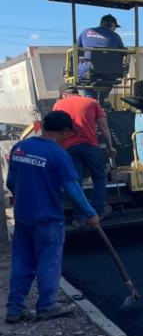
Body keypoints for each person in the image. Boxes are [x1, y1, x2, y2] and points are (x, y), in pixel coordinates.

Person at [5, 111, 99, 324]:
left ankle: (14, 308)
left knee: (22, 262)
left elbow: (11, 182)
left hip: (23, 217)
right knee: (49, 262)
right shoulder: (58, 154)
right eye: (68, 133)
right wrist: (90, 213)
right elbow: (72, 189)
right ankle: (47, 306)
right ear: (64, 131)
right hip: (47, 218)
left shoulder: (20, 147)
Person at [53, 84, 117, 222]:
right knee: (99, 178)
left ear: (63, 94)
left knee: (76, 182)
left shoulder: (58, 105)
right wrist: (110, 146)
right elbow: (104, 128)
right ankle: (98, 212)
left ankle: (79, 217)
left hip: (68, 148)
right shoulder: (92, 102)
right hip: (90, 147)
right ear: (77, 92)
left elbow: (55, 131)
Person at [77, 14, 125, 82]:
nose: (115, 29)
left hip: (88, 73)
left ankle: (89, 93)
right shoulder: (116, 36)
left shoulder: (86, 31)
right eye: (115, 27)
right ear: (111, 25)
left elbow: (76, 50)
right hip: (111, 74)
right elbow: (123, 51)